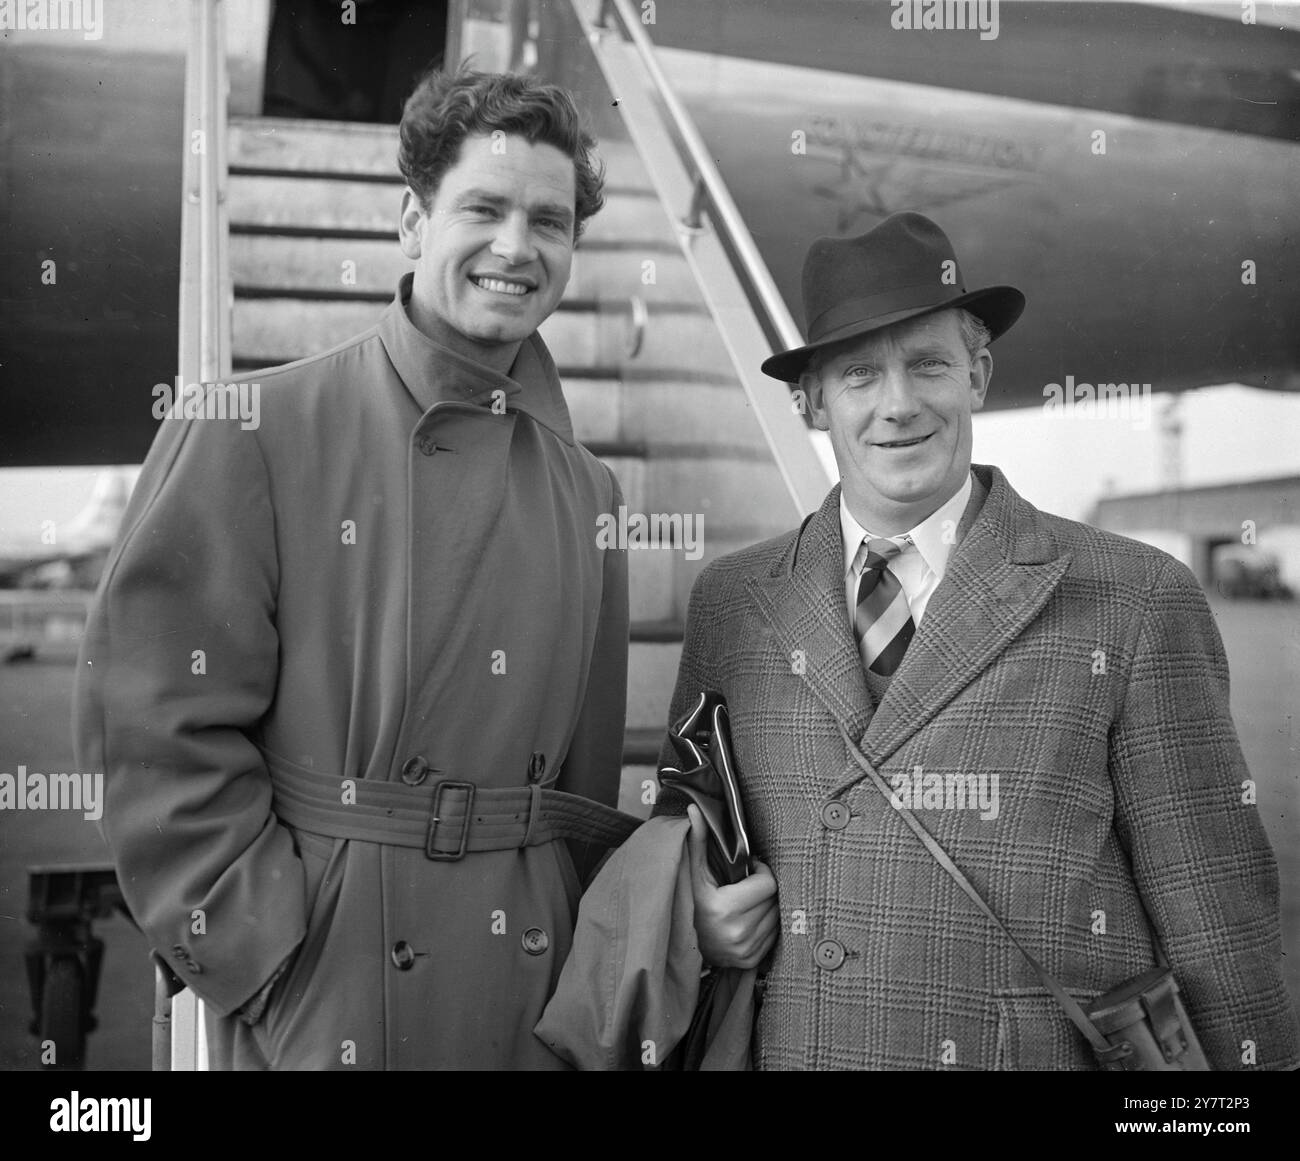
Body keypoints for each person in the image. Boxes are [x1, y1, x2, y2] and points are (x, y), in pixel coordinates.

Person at [74, 67, 635, 1070]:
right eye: (485, 208)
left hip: (531, 1002)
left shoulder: (588, 491)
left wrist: (587, 985)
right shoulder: (250, 428)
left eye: (548, 221)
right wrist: (261, 954)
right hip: (329, 993)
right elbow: (153, 731)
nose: (516, 246)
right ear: (412, 223)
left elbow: (585, 792)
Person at [658, 211, 1300, 1069]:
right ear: (811, 401)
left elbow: (1216, 916)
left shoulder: (1137, 599)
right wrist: (692, 915)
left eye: (929, 363)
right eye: (858, 374)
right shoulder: (730, 604)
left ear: (979, 376)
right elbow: (686, 832)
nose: (898, 404)